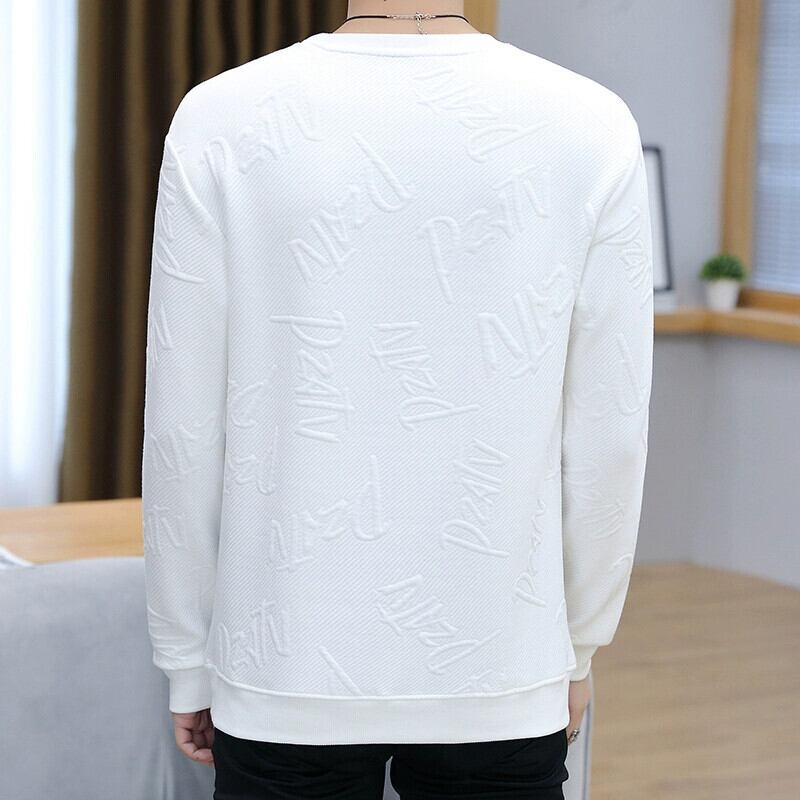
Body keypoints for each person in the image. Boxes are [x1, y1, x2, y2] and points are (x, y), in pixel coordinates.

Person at [141, 1, 654, 797]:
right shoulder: (592, 125)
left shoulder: (222, 117)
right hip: (500, 660)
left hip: (283, 660)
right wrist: (578, 643)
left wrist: (187, 656)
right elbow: (608, 433)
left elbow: (182, 424)